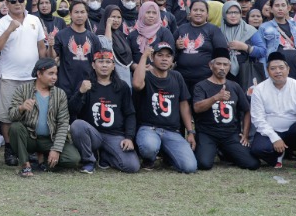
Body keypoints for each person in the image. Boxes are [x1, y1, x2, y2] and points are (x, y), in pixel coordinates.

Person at [0, 0, 49, 151]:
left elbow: (41, 48)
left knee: (31, 115)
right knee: (6, 116)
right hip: (9, 76)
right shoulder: (1, 23)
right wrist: (9, 29)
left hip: (31, 77)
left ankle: (28, 148)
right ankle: (9, 148)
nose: (18, 4)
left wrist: (43, 71)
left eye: (20, 0)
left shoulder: (35, 20)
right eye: (13, 1)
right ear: (7, 4)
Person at [6, 58, 79, 177]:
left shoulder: (60, 94)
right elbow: (11, 116)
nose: (54, 77)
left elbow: (63, 123)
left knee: (73, 159)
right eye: (50, 73)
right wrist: (21, 108)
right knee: (15, 127)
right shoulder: (23, 90)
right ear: (39, 74)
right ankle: (25, 164)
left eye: (56, 73)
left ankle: (43, 160)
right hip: (30, 137)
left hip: (50, 139)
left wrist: (56, 149)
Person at [69, 50, 139, 173]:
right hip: (92, 134)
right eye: (100, 62)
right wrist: (80, 92)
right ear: (93, 65)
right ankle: (89, 161)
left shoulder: (122, 87)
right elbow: (72, 110)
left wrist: (129, 137)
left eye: (108, 62)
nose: (104, 65)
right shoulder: (86, 85)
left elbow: (130, 114)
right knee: (77, 124)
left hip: (115, 135)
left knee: (132, 166)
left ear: (113, 66)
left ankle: (105, 156)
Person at [248, 52, 296, 173]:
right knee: (258, 149)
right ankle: (278, 155)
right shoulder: (259, 89)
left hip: (293, 131)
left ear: (288, 69)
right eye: (273, 68)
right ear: (267, 71)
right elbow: (258, 119)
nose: (278, 71)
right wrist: (274, 138)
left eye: (281, 68)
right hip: (271, 130)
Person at [131, 42, 197, 173]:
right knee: (149, 147)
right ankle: (149, 158)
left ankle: (167, 154)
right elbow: (137, 85)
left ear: (172, 60)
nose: (164, 59)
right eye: (160, 55)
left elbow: (184, 104)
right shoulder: (147, 76)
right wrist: (144, 56)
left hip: (172, 131)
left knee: (190, 167)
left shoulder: (177, 76)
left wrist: (190, 131)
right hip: (149, 128)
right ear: (153, 57)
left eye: (168, 56)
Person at [191, 48, 259, 171]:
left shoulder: (234, 86)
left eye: (225, 64)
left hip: (230, 134)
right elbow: (197, 108)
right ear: (211, 66)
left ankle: (225, 152)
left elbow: (247, 110)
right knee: (204, 164)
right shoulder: (201, 86)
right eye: (218, 64)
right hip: (207, 133)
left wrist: (245, 133)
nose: (222, 68)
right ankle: (212, 149)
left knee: (252, 164)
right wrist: (215, 98)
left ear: (229, 67)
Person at [173, 0, 230, 93]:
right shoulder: (181, 29)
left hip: (206, 78)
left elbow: (222, 53)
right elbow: (170, 52)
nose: (198, 13)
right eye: (195, 10)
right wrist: (176, 47)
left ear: (207, 14)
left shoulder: (213, 30)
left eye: (202, 10)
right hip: (182, 77)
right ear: (190, 13)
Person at [55, 1, 104, 100]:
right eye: (76, 12)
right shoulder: (61, 35)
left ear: (87, 14)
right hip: (65, 87)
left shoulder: (93, 38)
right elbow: (54, 58)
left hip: (88, 86)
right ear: (70, 14)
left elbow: (98, 62)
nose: (79, 15)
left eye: (82, 12)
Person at [258, 0, 296, 81]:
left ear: (288, 8)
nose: (280, 8)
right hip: (275, 72)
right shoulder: (264, 27)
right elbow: (262, 54)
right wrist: (266, 75)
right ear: (271, 9)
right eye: (277, 5)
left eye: (283, 5)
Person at [218, 0, 264, 90]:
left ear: (240, 14)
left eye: (236, 12)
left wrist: (245, 47)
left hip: (246, 73)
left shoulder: (250, 30)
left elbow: (262, 51)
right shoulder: (218, 31)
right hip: (223, 73)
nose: (233, 15)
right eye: (229, 12)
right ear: (224, 14)